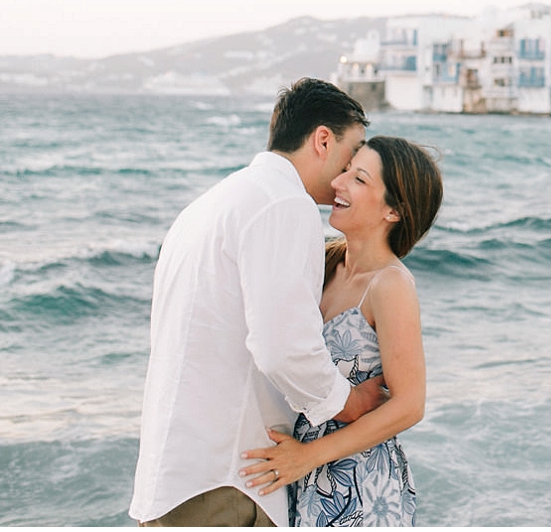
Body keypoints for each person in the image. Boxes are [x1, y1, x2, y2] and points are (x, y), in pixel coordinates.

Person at [130, 79, 386, 527]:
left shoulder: (211, 204)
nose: (351, 172)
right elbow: (282, 346)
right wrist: (351, 404)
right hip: (227, 478)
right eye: (353, 151)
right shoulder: (284, 204)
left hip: (176, 471)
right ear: (323, 139)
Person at [239, 135, 443, 527]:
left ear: (394, 211)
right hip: (303, 476)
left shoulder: (390, 285)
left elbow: (409, 405)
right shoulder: (325, 264)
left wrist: (309, 456)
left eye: (360, 179)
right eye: (346, 170)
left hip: (360, 485)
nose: (339, 182)